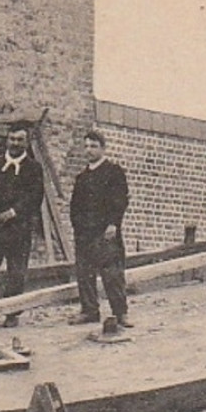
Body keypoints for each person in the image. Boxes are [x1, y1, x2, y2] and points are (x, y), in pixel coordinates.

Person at [68, 130, 130, 328]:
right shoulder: (82, 177)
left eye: (94, 146)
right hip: (85, 234)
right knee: (84, 273)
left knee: (112, 274)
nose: (89, 150)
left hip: (106, 232)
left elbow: (120, 200)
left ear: (103, 148)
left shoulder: (114, 172)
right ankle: (89, 311)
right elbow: (74, 206)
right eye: (86, 146)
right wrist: (77, 229)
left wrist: (113, 223)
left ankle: (120, 313)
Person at [0, 123, 45, 325]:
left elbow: (34, 197)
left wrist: (13, 212)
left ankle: (12, 313)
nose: (15, 143)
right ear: (7, 140)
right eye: (12, 139)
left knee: (16, 272)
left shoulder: (34, 169)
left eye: (20, 140)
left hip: (19, 228)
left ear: (27, 143)